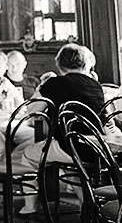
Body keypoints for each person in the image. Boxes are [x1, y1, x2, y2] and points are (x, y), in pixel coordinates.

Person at [20, 44, 110, 214]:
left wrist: (41, 87)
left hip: (70, 146)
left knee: (28, 155)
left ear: (59, 64)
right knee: (73, 163)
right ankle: (87, 206)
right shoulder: (95, 85)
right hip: (98, 148)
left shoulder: (55, 83)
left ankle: (29, 208)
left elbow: (32, 111)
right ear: (85, 64)